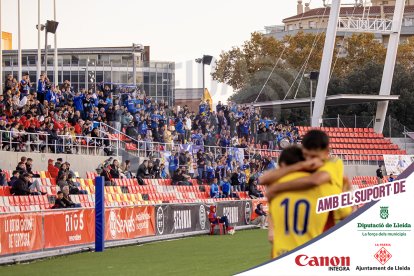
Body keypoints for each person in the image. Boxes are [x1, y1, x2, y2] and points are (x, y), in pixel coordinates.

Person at [261, 132, 352, 258]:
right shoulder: (326, 188)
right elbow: (347, 214)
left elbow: (317, 179)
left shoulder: (333, 165)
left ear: (326, 152)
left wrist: (276, 188)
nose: (310, 160)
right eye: (307, 156)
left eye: (314, 156)